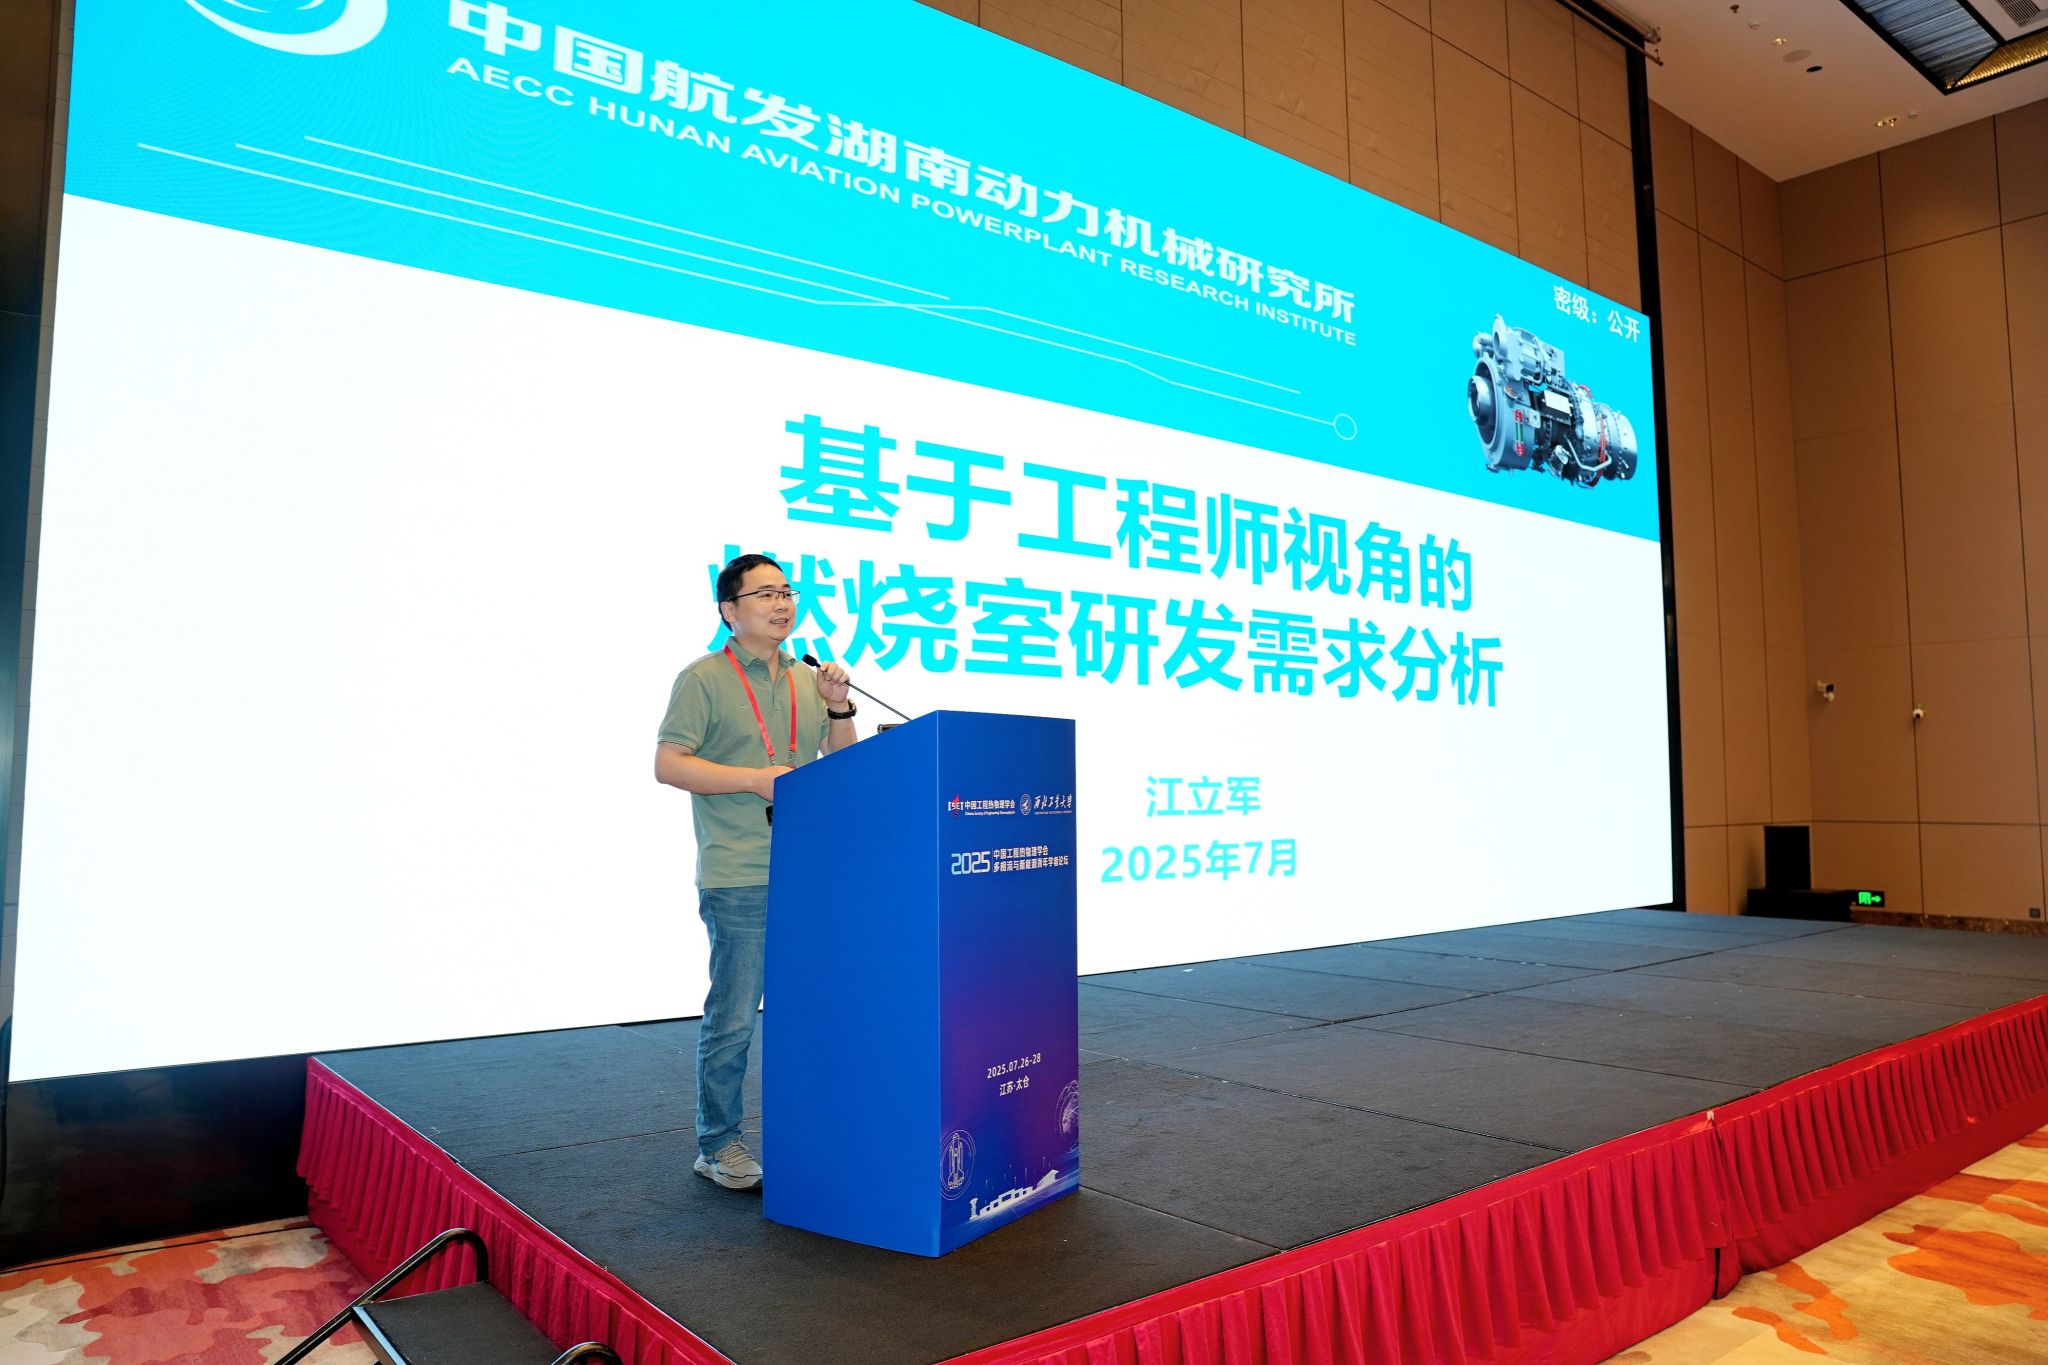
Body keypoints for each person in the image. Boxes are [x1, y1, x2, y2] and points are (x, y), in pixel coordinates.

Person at [654, 553, 859, 1189]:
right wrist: (754, 779)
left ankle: (810, 1134)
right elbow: (668, 764)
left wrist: (839, 708)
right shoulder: (704, 678)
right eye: (765, 593)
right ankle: (718, 1145)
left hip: (810, 872)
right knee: (735, 1018)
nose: (782, 603)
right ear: (729, 609)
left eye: (787, 591)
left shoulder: (807, 678)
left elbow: (841, 766)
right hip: (739, 871)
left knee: (813, 1011)